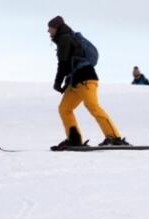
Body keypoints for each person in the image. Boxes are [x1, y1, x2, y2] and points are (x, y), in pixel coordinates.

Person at [47, 16, 129, 150]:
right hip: (75, 81)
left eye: (50, 28)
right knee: (64, 108)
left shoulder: (64, 38)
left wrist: (57, 82)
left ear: (56, 28)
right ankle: (74, 139)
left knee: (93, 106)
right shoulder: (66, 38)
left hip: (86, 79)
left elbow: (63, 64)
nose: (48, 31)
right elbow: (70, 63)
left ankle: (114, 137)